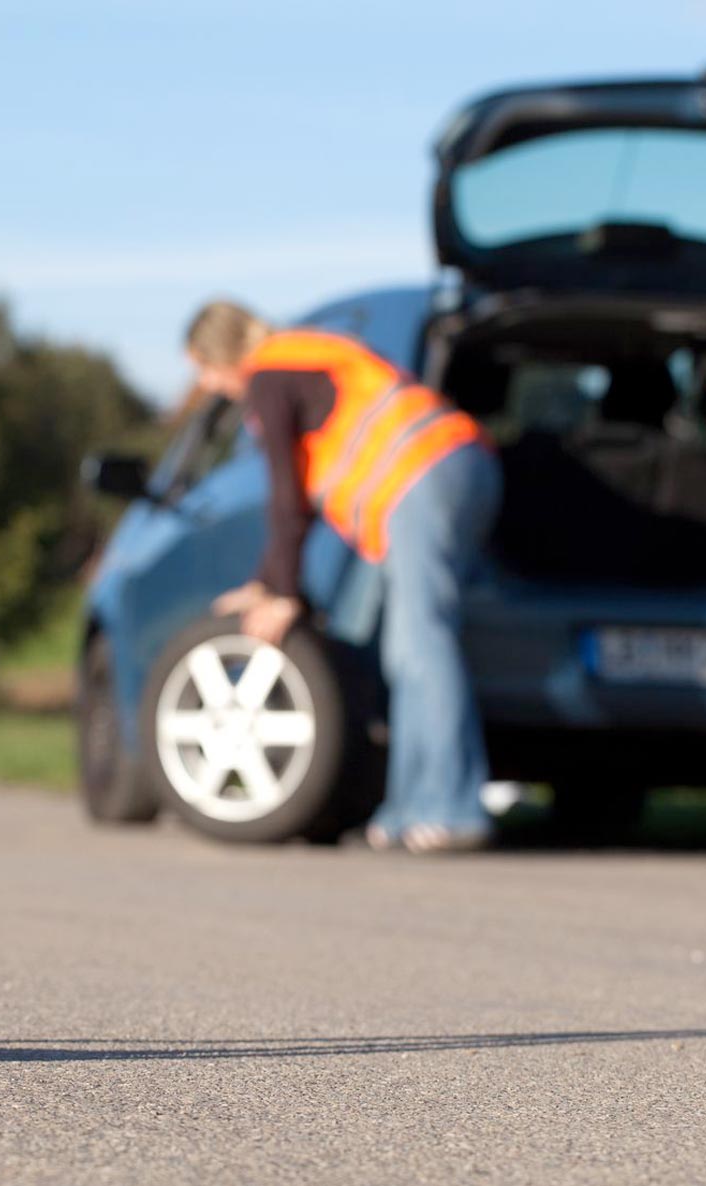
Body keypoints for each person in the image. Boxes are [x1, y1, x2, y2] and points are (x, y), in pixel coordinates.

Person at [186, 299, 503, 853]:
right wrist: (268, 584)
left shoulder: (269, 373)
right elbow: (300, 501)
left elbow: (286, 496)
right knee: (407, 647)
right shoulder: (301, 358)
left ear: (219, 354)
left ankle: (453, 808)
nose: (209, 385)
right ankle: (408, 812)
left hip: (424, 470)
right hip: (454, 467)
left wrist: (283, 593)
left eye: (203, 369)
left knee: (423, 639)